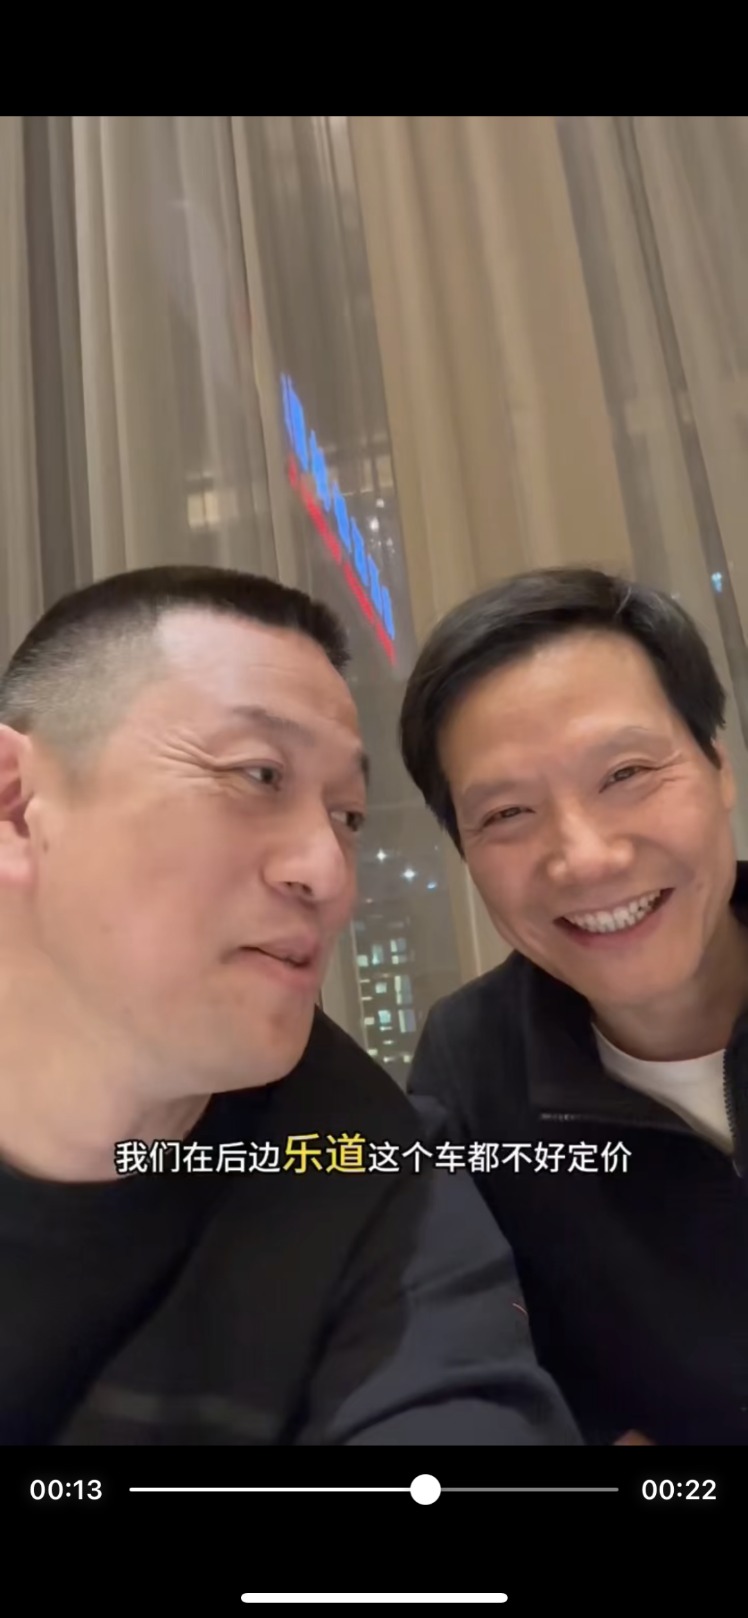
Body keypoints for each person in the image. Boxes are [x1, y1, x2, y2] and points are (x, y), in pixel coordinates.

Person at [0, 564, 577, 1446]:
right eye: (258, 774)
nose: (329, 875)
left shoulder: (369, 1171)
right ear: (16, 805)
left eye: (348, 817)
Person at [401, 565, 748, 1446]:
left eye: (626, 771)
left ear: (719, 767)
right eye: (507, 813)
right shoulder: (471, 1068)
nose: (585, 857)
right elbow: (467, 1357)